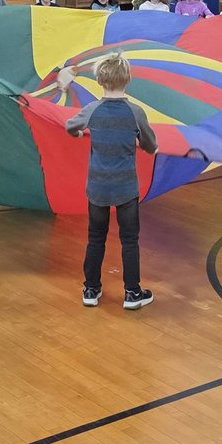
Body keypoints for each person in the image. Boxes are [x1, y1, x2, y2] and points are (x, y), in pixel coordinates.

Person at [65, 52, 158, 309]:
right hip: (126, 188)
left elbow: (70, 126)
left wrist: (79, 134)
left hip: (97, 187)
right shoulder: (135, 112)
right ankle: (132, 293)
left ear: (99, 80)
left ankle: (91, 289)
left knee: (95, 238)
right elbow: (150, 145)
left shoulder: (92, 110)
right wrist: (144, 144)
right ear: (127, 79)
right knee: (130, 240)